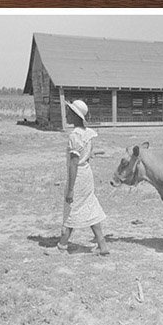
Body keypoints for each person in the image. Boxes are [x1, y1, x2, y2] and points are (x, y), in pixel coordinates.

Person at [58, 99, 110, 255]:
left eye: (69, 112)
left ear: (75, 115)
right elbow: (83, 155)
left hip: (79, 176)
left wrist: (71, 189)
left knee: (71, 208)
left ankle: (62, 245)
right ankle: (102, 245)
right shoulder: (87, 133)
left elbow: (74, 163)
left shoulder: (75, 136)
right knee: (89, 207)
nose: (66, 114)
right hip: (87, 174)